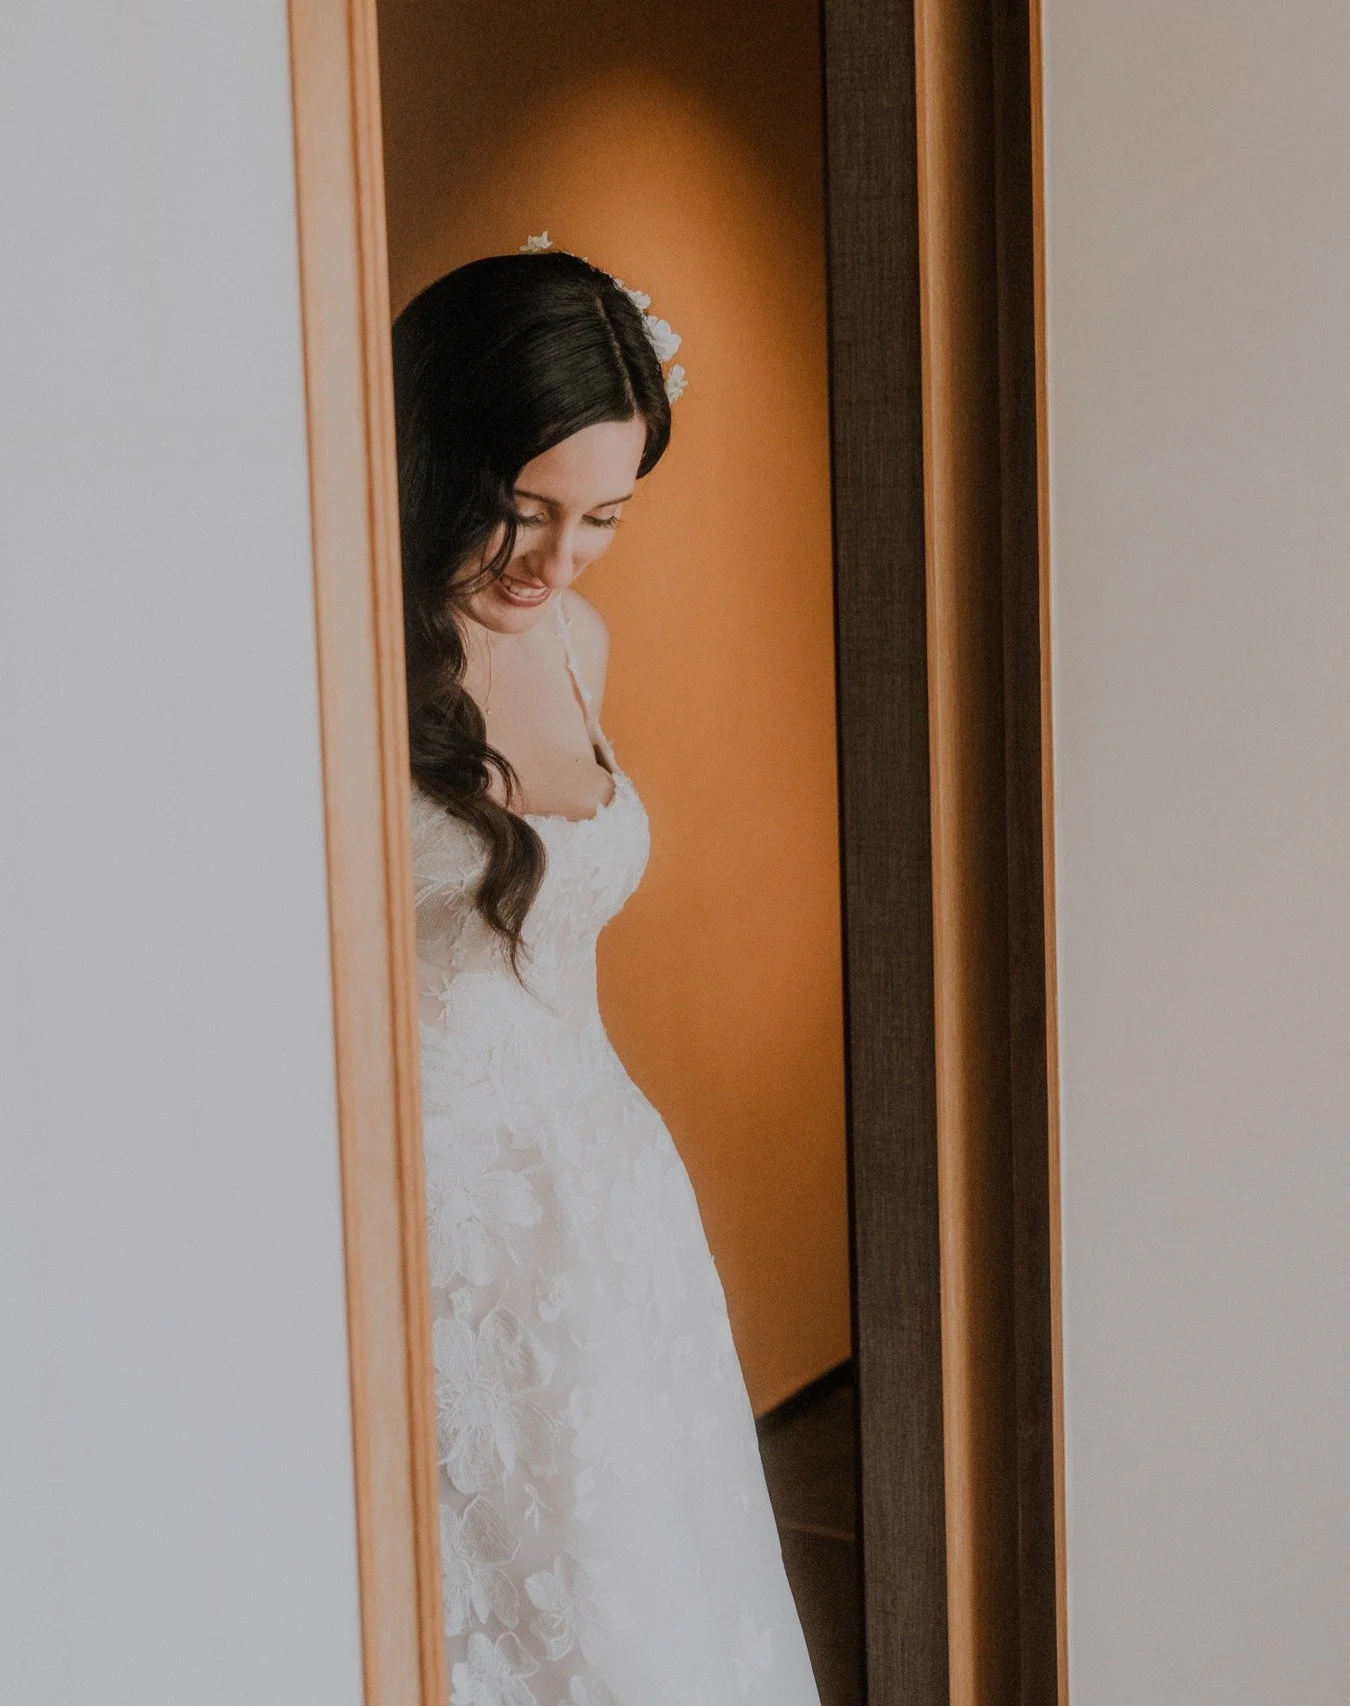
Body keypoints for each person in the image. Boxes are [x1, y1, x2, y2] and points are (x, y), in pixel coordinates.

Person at [394, 248, 822, 1706]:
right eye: (523, 510)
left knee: (658, 1602)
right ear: (434, 460)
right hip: (437, 1237)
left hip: (611, 1210)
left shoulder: (578, 640)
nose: (557, 562)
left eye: (603, 519)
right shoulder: (337, 658)